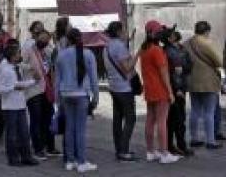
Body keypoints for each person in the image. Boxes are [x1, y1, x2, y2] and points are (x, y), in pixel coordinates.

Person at [55, 28, 99, 173]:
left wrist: (57, 99)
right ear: (81, 38)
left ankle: (70, 161)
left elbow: (57, 79)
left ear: (67, 39)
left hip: (66, 94)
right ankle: (81, 162)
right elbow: (94, 78)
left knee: (69, 128)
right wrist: (96, 96)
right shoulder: (88, 54)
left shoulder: (61, 55)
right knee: (80, 129)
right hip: (82, 94)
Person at [140, 21, 180, 164]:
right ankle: (164, 153)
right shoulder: (157, 50)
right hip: (160, 90)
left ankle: (150, 151)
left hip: (149, 89)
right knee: (162, 122)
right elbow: (164, 74)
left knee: (150, 120)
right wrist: (170, 92)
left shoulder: (144, 49)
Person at [0, 41, 39, 167]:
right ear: (11, 56)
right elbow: (0, 89)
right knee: (12, 134)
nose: (19, 56)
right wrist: (31, 82)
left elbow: (22, 70)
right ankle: (13, 158)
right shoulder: (6, 70)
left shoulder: (15, 66)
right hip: (10, 106)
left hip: (20, 104)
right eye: (17, 54)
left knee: (24, 132)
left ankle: (26, 156)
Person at [103, 21, 138, 162]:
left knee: (117, 119)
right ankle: (123, 151)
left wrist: (127, 41)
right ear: (118, 32)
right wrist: (137, 55)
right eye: (124, 30)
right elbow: (127, 67)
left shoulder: (107, 46)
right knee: (130, 118)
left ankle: (119, 149)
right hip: (124, 88)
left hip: (113, 86)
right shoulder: (119, 47)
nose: (126, 33)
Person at [187, 21, 224, 149]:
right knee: (209, 112)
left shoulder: (187, 43)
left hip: (192, 80)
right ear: (207, 31)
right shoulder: (207, 43)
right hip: (208, 81)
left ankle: (194, 138)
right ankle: (210, 140)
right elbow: (219, 61)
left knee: (195, 110)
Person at [23, 28, 54, 160]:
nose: (44, 41)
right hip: (33, 90)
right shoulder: (28, 50)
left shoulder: (47, 51)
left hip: (46, 89)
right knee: (35, 119)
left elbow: (50, 67)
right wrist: (30, 68)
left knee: (47, 118)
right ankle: (37, 148)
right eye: (42, 38)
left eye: (47, 39)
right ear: (36, 37)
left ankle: (47, 146)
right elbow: (19, 64)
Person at [164, 29, 194, 156]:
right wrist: (178, 90)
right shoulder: (168, 50)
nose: (175, 34)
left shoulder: (181, 48)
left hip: (180, 85)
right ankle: (178, 145)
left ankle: (172, 145)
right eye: (172, 34)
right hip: (176, 88)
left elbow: (188, 65)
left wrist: (184, 68)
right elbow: (173, 72)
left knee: (175, 118)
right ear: (169, 38)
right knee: (176, 119)